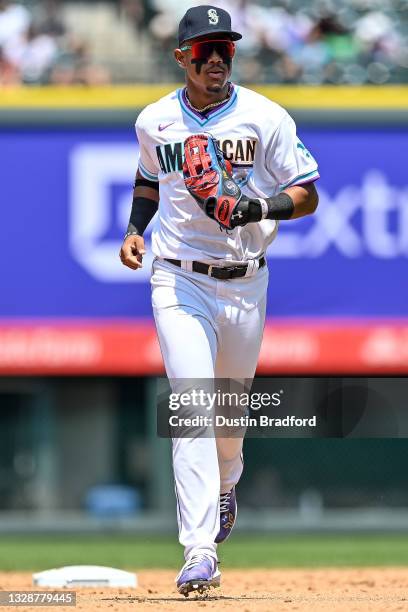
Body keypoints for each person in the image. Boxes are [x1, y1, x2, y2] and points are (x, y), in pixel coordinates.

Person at [120, 4, 319, 597]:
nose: (215, 58)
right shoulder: (156, 121)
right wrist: (135, 228)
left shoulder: (264, 116)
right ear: (181, 56)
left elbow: (306, 194)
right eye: (203, 49)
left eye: (225, 48)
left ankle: (227, 481)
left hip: (245, 279)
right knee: (192, 405)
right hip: (178, 278)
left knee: (227, 418)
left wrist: (257, 207)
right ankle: (199, 550)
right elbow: (149, 179)